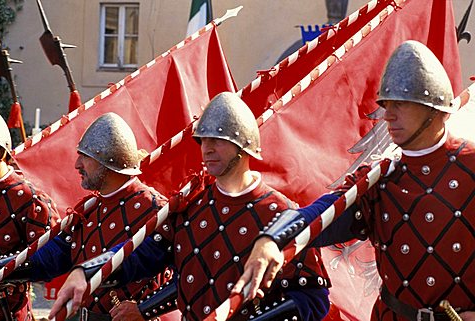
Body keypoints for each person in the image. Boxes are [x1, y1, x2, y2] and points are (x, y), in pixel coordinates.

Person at [233, 41, 475, 320]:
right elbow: (322, 212)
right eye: (386, 104)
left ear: (433, 108)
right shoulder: (380, 176)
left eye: (400, 104)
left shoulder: (470, 165)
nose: (388, 114)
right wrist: (272, 238)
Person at [49, 92, 336, 321]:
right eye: (203, 140)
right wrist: (87, 271)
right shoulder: (191, 208)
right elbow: (139, 255)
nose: (207, 148)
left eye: (218, 140)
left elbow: (312, 298)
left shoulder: (280, 213)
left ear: (244, 147)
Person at [0, 112, 171, 321]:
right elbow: (48, 257)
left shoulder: (156, 209)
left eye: (86, 156)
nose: (77, 164)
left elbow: (187, 275)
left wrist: (145, 309)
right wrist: (1, 269)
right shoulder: (89, 210)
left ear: (108, 159)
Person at [0, 111, 60, 321]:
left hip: (8, 313)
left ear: (2, 149)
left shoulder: (30, 199)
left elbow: (50, 258)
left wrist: (2, 270)